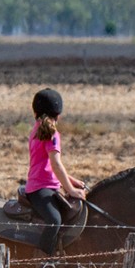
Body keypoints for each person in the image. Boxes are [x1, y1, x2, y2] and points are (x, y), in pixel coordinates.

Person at [22, 86, 86, 253]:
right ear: (58, 114)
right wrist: (70, 189)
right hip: (40, 189)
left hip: (44, 185)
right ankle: (43, 261)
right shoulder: (51, 133)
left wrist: (71, 180)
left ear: (35, 112)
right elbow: (56, 164)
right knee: (54, 221)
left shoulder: (37, 130)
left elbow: (48, 165)